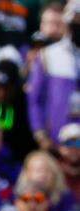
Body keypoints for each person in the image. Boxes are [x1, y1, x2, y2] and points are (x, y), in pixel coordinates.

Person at [28, 5, 80, 150]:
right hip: (55, 140)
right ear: (66, 24)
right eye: (75, 21)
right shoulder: (48, 55)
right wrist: (40, 133)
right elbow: (35, 99)